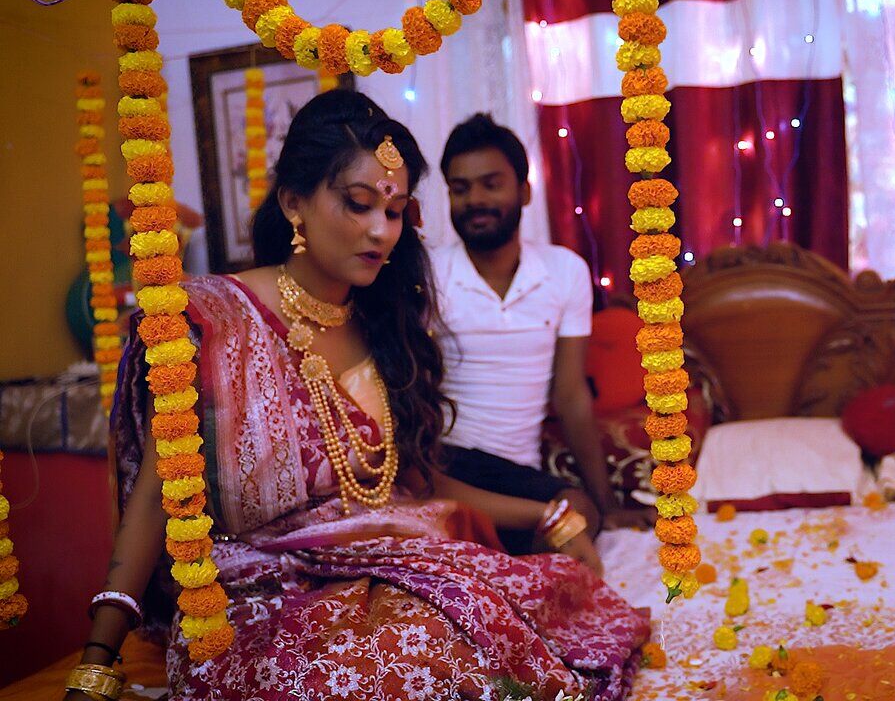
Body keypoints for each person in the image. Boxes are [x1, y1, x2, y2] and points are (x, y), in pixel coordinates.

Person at [63, 91, 647, 701]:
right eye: (358, 203)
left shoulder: (383, 323)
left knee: (515, 605)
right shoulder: (215, 321)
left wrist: (549, 514)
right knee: (410, 654)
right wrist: (97, 662)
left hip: (382, 565)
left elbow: (411, 480)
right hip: (255, 595)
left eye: (394, 211)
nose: (380, 231)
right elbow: (158, 495)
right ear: (294, 201)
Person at [431, 113, 653, 554]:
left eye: (491, 184)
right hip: (449, 465)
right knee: (558, 520)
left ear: (524, 191)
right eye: (460, 188)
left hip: (518, 477)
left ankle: (502, 566)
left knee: (578, 517)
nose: (475, 200)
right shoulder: (429, 273)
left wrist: (607, 506)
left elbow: (569, 394)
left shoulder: (565, 271)